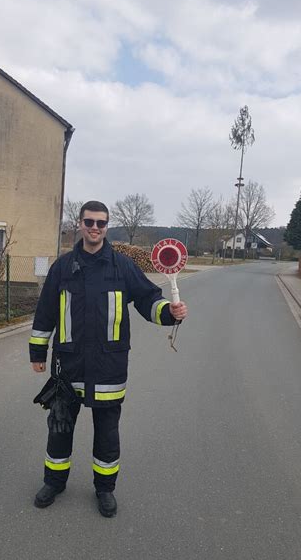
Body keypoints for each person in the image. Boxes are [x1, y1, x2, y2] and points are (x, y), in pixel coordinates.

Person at [29, 201, 188, 517]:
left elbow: (148, 301)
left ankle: (105, 490)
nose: (95, 228)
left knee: (107, 433)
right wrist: (38, 352)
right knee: (59, 427)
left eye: (101, 223)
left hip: (109, 366)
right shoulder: (62, 267)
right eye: (89, 221)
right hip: (68, 365)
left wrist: (169, 314)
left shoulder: (122, 267)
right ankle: (54, 482)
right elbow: (45, 311)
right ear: (80, 223)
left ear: (107, 226)